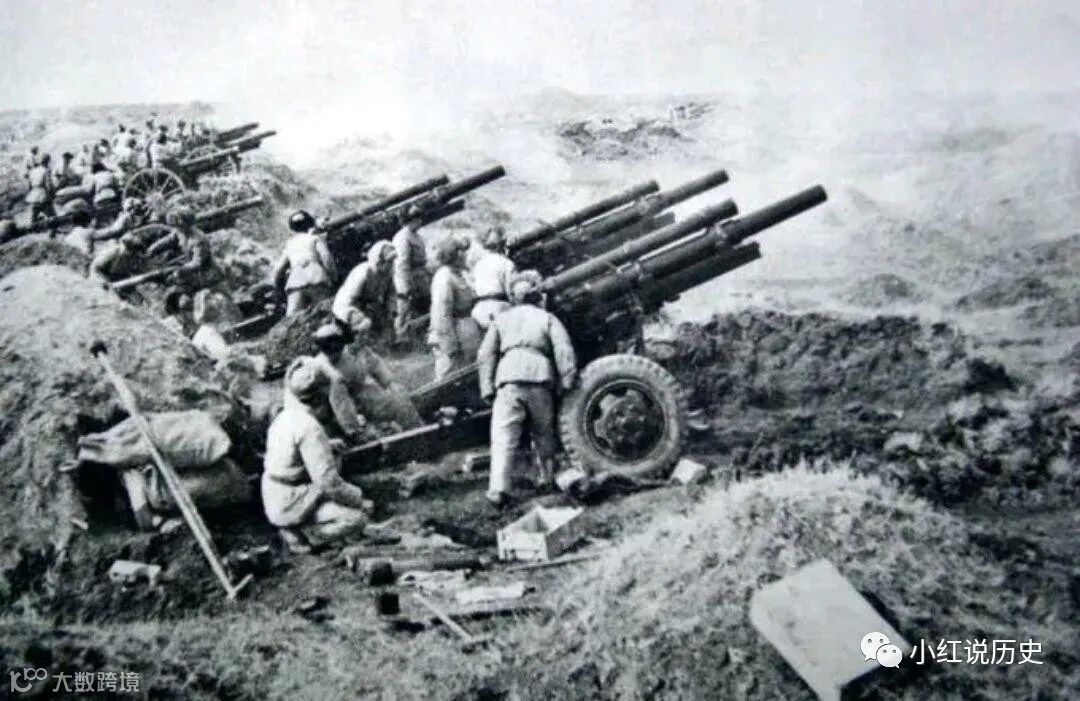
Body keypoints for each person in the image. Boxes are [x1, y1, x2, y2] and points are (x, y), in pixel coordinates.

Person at [477, 271, 577, 507]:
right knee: (543, 433)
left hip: (508, 379)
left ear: (513, 297)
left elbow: (485, 354)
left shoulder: (501, 320)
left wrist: (487, 388)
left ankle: (498, 489)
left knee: (503, 436)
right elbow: (563, 349)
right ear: (536, 296)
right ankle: (547, 479)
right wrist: (567, 381)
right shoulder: (547, 318)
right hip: (539, 377)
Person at [262, 357, 373, 553]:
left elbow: (290, 454)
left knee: (334, 467)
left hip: (275, 492)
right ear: (321, 395)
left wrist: (327, 445)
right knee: (357, 518)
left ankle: (294, 528)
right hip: (291, 501)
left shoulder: (285, 416)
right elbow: (328, 483)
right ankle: (304, 534)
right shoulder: (310, 428)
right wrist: (358, 498)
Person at [311, 323, 421, 432]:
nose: (334, 351)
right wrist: (353, 424)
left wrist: (390, 383)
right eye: (329, 348)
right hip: (339, 413)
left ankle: (418, 431)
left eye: (337, 346)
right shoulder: (321, 369)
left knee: (401, 407)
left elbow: (375, 366)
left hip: (366, 398)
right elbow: (338, 404)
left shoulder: (351, 355)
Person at [428, 236, 479, 381]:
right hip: (452, 338)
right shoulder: (444, 277)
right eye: (461, 251)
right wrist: (449, 345)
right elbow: (442, 314)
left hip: (465, 336)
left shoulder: (458, 274)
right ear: (453, 254)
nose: (465, 255)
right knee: (448, 378)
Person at [271, 210, 337, 317]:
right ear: (309, 224)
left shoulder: (290, 244)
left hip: (295, 282)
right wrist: (333, 276)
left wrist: (277, 288)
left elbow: (279, 269)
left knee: (292, 319)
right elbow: (327, 257)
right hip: (317, 278)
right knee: (327, 313)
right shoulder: (315, 239)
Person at [149, 206, 228, 295]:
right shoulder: (181, 232)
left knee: (176, 290)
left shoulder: (198, 240)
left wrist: (180, 271)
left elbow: (197, 263)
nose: (176, 226)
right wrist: (153, 248)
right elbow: (169, 240)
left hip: (206, 274)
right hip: (191, 267)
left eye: (179, 223)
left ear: (185, 223)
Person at [331, 240, 395, 340]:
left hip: (368, 308)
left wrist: (391, 313)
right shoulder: (363, 273)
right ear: (379, 262)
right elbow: (345, 300)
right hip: (348, 309)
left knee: (385, 325)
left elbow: (391, 296)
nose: (391, 265)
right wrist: (354, 316)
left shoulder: (388, 275)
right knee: (364, 325)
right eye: (389, 262)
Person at [391, 204, 431, 342]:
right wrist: (407, 287)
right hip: (408, 281)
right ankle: (400, 341)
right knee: (404, 312)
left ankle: (420, 339)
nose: (420, 221)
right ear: (411, 220)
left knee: (423, 310)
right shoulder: (402, 238)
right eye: (417, 218)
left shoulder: (416, 236)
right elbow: (402, 265)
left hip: (420, 279)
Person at [469, 226, 516, 329]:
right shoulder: (507, 263)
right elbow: (511, 292)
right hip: (499, 308)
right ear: (502, 245)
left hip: (479, 311)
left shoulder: (478, 265)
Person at [25, 153, 55, 220]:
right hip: (43, 195)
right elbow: (48, 185)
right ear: (47, 161)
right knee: (52, 217)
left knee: (34, 217)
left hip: (33, 195)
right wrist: (52, 194)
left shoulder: (33, 171)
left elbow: (29, 185)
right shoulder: (46, 171)